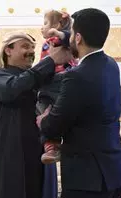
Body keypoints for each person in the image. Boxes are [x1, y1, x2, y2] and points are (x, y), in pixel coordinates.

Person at [37, 8, 121, 198]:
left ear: (77, 37)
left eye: (71, 33)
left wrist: (43, 119)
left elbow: (54, 126)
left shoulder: (76, 76)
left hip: (87, 178)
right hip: (115, 171)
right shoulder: (111, 65)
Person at [0, 32, 71, 198]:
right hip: (9, 156)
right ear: (8, 50)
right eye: (25, 46)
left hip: (38, 156)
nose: (31, 52)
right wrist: (49, 61)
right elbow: (11, 90)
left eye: (33, 47)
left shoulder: (40, 78)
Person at [38, 9, 77, 164]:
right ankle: (51, 146)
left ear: (58, 25)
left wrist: (59, 34)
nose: (42, 27)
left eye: (46, 23)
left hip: (62, 80)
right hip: (48, 81)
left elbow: (69, 40)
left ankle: (54, 144)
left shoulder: (62, 39)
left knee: (58, 110)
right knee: (43, 108)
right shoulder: (46, 44)